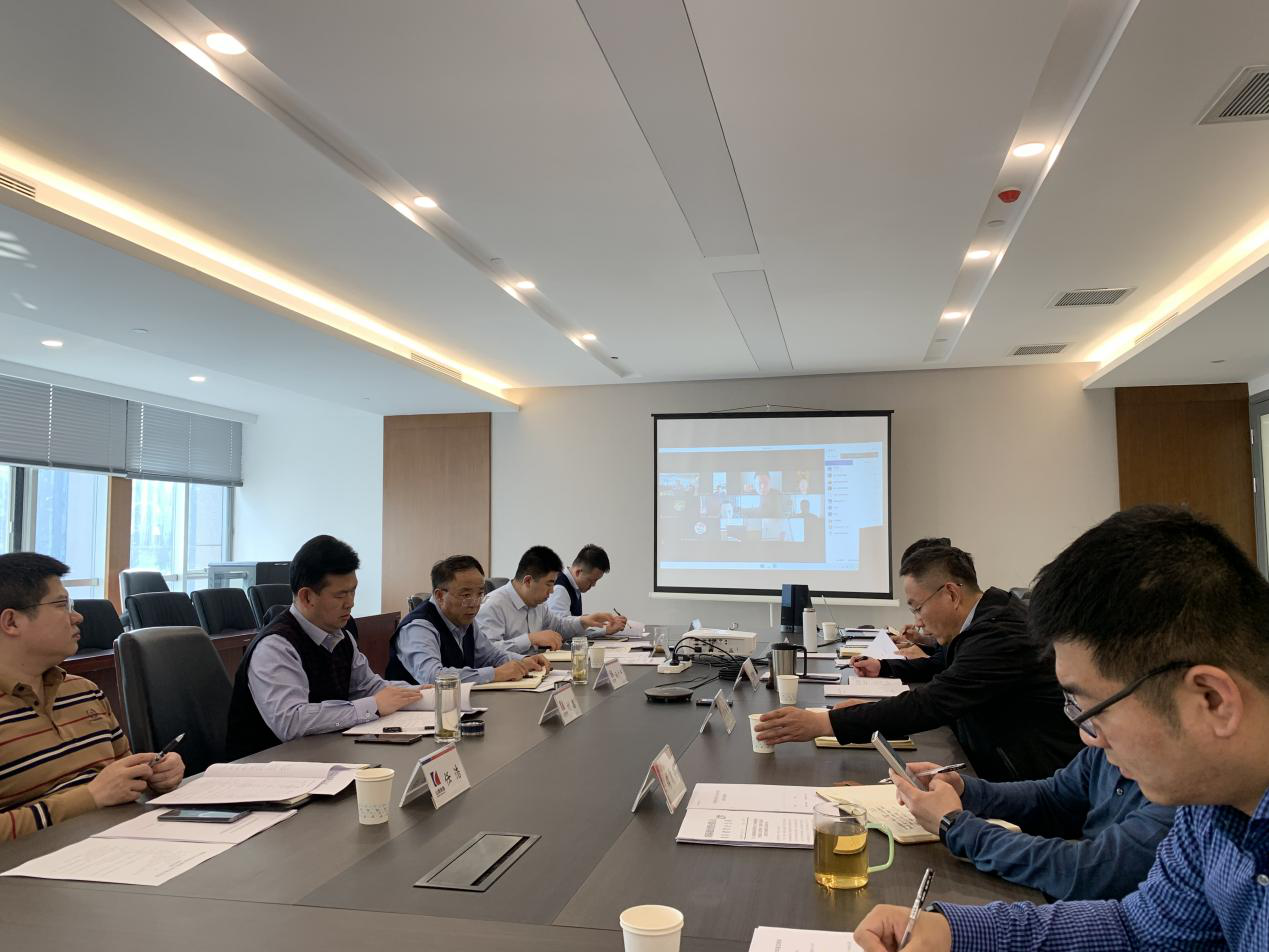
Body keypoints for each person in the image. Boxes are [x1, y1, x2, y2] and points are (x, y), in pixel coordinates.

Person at [855, 506, 1269, 952]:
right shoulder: (1208, 809)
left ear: (1211, 701)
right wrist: (954, 932)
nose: (1087, 736)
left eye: (1095, 709)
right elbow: (1137, 928)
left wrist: (957, 825)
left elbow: (1100, 878)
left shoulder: (1191, 795)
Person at [757, 545, 1081, 781]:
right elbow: (946, 677)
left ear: (951, 594)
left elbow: (933, 703)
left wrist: (824, 724)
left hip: (1028, 781)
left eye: (917, 607)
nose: (918, 621)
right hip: (994, 760)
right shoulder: (987, 620)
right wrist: (872, 699)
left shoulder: (1000, 634)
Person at [0, 553, 184, 840]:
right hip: (41, 860)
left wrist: (155, 775)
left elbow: (125, 776)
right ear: (11, 622)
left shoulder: (84, 691)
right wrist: (89, 797)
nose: (77, 616)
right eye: (61, 605)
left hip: (121, 840)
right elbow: (99, 793)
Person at [888, 744, 1175, 900]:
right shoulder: (1107, 741)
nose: (1088, 736)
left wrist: (955, 825)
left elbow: (1086, 871)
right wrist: (964, 790)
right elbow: (1053, 799)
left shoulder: (1183, 797)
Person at [225, 535, 423, 759]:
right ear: (307, 597)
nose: (351, 603)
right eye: (340, 595)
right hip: (266, 767)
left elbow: (369, 688)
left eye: (353, 591)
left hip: (321, 756)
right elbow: (291, 721)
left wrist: (422, 694)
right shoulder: (275, 646)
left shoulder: (341, 636)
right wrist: (372, 706)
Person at [387, 554, 550, 686]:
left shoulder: (464, 619)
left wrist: (524, 661)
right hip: (416, 712)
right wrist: (495, 674)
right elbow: (434, 677)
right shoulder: (418, 627)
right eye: (466, 595)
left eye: (479, 594)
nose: (474, 603)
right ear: (440, 596)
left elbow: (490, 655)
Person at [478, 545, 621, 654]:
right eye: (549, 584)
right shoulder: (493, 605)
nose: (552, 591)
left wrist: (584, 621)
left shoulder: (538, 605)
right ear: (528, 581)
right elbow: (486, 652)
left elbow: (559, 626)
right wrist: (530, 639)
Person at [547, 544, 620, 621]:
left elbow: (571, 622)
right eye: (591, 580)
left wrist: (598, 623)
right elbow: (559, 626)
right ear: (578, 572)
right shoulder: (560, 589)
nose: (594, 585)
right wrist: (588, 621)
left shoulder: (574, 586)